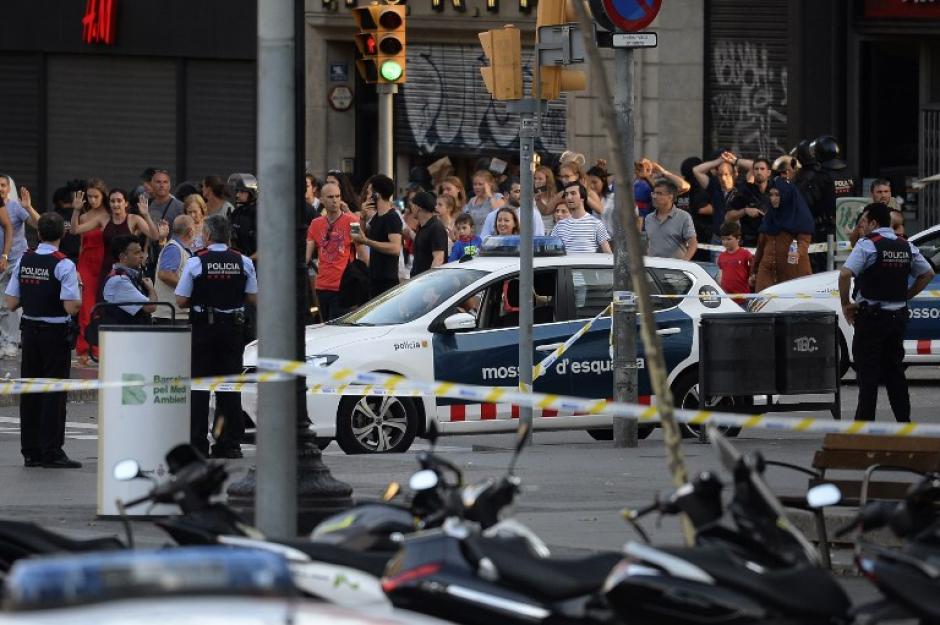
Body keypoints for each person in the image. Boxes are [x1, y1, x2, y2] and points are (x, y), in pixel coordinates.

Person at [839, 203, 934, 423]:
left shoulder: (868, 245)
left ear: (874, 222)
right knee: (895, 374)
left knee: (868, 375)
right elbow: (927, 273)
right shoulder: (905, 246)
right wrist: (907, 295)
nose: (862, 226)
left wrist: (845, 304)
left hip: (871, 319)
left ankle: (865, 429)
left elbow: (845, 274)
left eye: (864, 221)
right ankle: (904, 424)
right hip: (897, 319)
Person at [3, 213, 82, 468]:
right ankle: (51, 451)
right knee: (54, 393)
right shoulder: (64, 264)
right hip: (55, 334)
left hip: (30, 333)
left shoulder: (24, 260)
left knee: (31, 392)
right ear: (62, 234)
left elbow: (11, 302)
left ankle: (31, 451)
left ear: (39, 234)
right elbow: (71, 307)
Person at [176, 213, 258, 458]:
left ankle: (197, 443)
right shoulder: (243, 261)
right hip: (233, 330)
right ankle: (229, 443)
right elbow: (253, 297)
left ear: (208, 235)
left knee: (199, 388)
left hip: (204, 329)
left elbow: (180, 300)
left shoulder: (196, 262)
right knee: (229, 388)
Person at [0, 175, 41, 359]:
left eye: (2, 185)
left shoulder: (15, 206)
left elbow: (39, 224)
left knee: (11, 304)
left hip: (16, 260)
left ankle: (11, 342)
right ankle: (7, 340)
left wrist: (28, 207)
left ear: (8, 188)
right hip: (1, 263)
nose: (0, 188)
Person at [305, 182, 358, 321]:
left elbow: (362, 252)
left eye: (337, 196)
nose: (335, 200)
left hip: (343, 286)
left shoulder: (352, 221)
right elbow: (306, 255)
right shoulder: (316, 224)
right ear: (321, 199)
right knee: (326, 327)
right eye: (330, 197)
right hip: (322, 286)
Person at [751, 178, 814, 291]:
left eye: (777, 195)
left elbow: (804, 241)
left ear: (787, 196)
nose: (773, 199)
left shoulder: (799, 216)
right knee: (763, 303)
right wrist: (754, 271)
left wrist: (798, 252)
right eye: (771, 195)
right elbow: (761, 246)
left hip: (793, 271)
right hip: (767, 270)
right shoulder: (769, 217)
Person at [351, 174, 402, 298]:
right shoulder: (376, 218)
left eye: (369, 193)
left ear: (376, 195)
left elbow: (395, 248)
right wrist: (362, 216)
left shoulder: (392, 217)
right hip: (374, 277)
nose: (367, 197)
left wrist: (367, 241)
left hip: (387, 281)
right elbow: (357, 237)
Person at [101, 234, 157, 324]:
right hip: (124, 335)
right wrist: (151, 289)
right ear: (123, 257)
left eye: (141, 251)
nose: (142, 255)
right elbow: (150, 307)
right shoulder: (119, 281)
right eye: (137, 253)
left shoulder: (131, 275)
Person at [154, 215, 195, 324]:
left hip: (175, 315)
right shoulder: (174, 249)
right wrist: (190, 287)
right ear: (190, 231)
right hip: (169, 316)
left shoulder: (179, 248)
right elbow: (165, 274)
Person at [551, 181, 611, 253]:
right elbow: (551, 251)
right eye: (566, 194)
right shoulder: (559, 225)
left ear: (582, 198)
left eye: (573, 193)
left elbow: (608, 254)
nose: (569, 197)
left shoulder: (596, 224)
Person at [644, 178, 698, 260]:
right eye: (653, 193)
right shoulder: (648, 218)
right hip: (653, 268)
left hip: (674, 269)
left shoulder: (684, 217)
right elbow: (648, 243)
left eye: (659, 193)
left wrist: (683, 263)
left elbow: (693, 244)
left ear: (670, 196)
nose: (654, 197)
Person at [410, 192, 449, 278]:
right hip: (416, 282)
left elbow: (438, 258)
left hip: (428, 285)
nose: (411, 208)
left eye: (413, 205)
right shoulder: (422, 227)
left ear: (418, 207)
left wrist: (429, 283)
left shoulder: (436, 228)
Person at [716, 221, 753, 307]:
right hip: (727, 300)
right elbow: (721, 276)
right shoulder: (721, 257)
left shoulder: (746, 254)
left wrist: (752, 277)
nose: (725, 242)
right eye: (723, 239)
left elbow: (753, 271)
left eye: (729, 239)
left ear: (738, 238)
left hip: (743, 299)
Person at [463, 170, 505, 236]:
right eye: (475, 184)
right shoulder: (472, 201)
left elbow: (499, 214)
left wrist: (489, 195)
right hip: (476, 240)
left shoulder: (497, 197)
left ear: (489, 185)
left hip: (492, 239)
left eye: (480, 184)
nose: (477, 187)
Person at [228, 173, 259, 261]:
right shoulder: (237, 212)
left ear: (251, 193)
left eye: (242, 192)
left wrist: (248, 260)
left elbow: (266, 247)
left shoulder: (259, 214)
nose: (237, 195)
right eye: (237, 191)